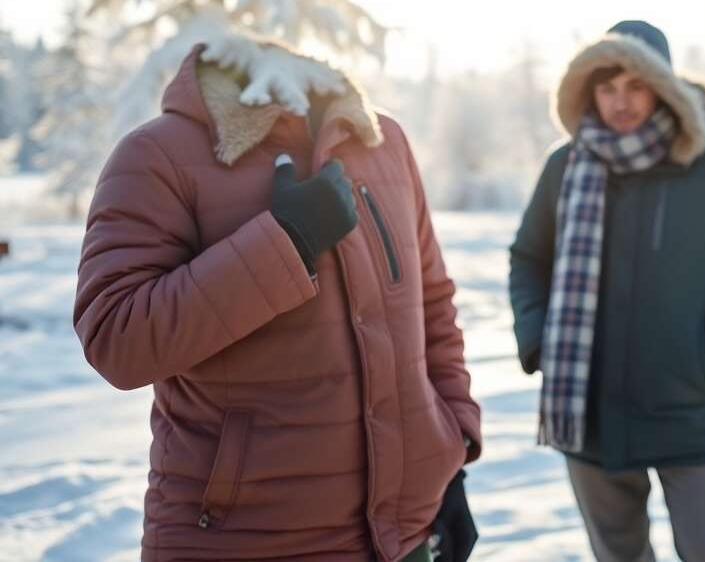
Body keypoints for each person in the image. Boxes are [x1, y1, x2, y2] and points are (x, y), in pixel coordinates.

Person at [74, 34, 481, 562]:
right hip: (240, 542)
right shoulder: (158, 155)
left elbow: (430, 307)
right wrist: (287, 242)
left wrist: (450, 456)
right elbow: (117, 337)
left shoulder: (385, 142)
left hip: (405, 538)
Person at [509, 20, 705, 561]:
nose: (619, 102)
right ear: (587, 91)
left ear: (664, 87)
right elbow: (529, 259)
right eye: (606, 88)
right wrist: (537, 342)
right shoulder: (566, 165)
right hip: (587, 407)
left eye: (635, 86)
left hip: (689, 408)